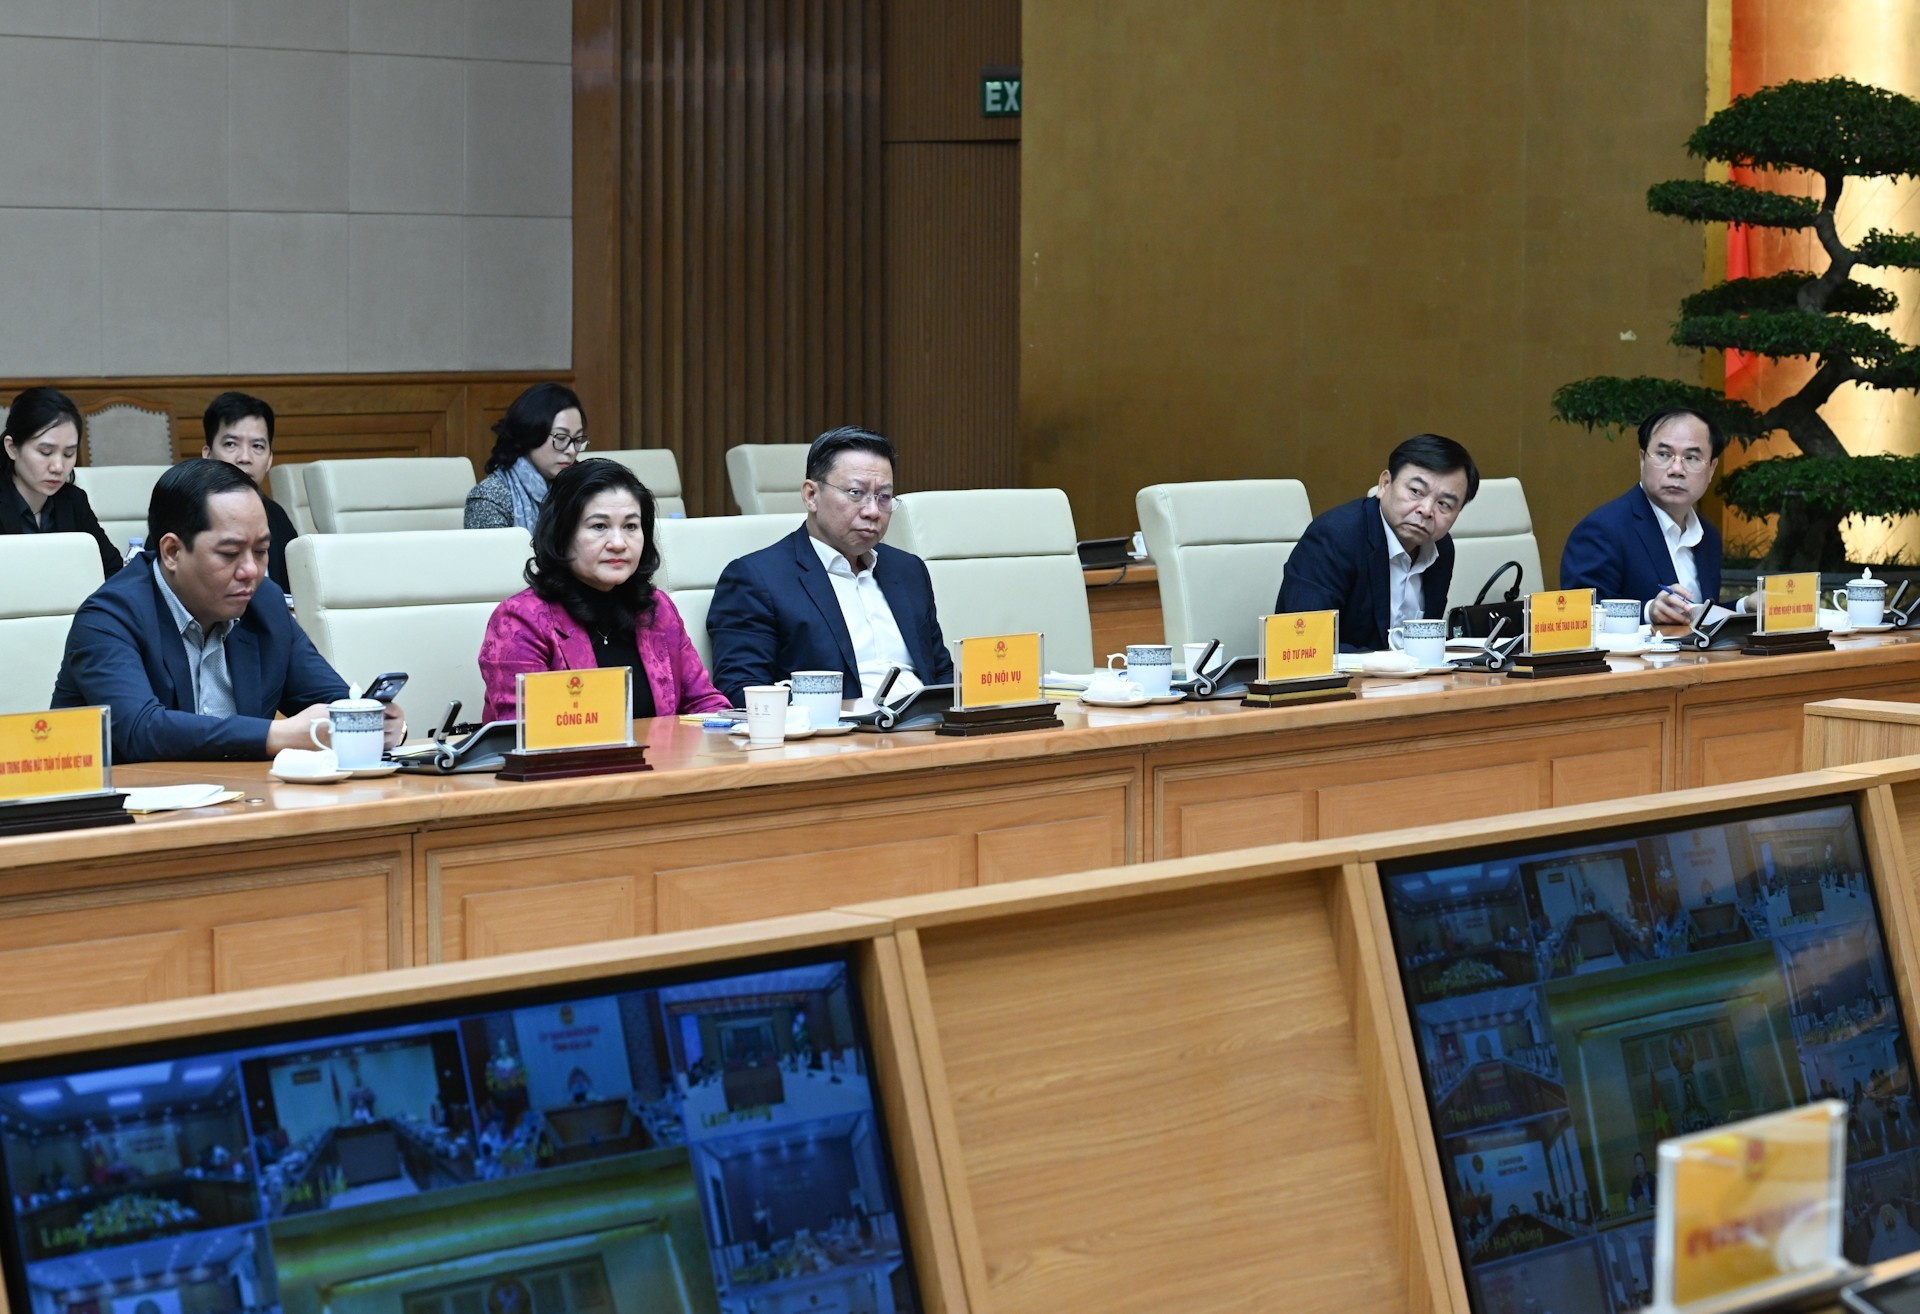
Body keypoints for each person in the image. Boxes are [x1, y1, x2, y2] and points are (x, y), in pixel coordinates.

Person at [51, 459, 405, 762]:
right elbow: (140, 730)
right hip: (119, 820)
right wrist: (277, 735)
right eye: (230, 553)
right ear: (173, 551)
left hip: (239, 805)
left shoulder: (263, 601)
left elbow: (329, 701)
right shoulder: (109, 617)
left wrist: (372, 723)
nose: (252, 570)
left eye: (261, 551)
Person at [707, 426, 951, 704]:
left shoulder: (908, 570)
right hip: (835, 738)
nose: (872, 511)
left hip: (927, 729)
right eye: (856, 492)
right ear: (811, 495)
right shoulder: (756, 578)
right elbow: (742, 690)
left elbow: (940, 671)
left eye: (883, 497)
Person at [478, 457, 729, 721]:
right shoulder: (521, 620)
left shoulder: (656, 608)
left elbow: (704, 702)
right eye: (599, 526)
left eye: (631, 526)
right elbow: (523, 731)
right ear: (562, 535)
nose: (619, 543)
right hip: (568, 763)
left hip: (664, 762)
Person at [1276, 433, 1480, 651]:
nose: (1427, 510)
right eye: (1416, 492)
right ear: (1384, 484)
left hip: (1415, 683)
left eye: (1444, 504)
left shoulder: (1441, 548)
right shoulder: (1335, 536)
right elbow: (1304, 645)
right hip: (1346, 683)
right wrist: (1391, 665)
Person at [1559, 407, 1726, 625]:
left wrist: (1744, 607)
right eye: (1664, 455)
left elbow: (1697, 614)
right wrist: (1648, 612)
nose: (1676, 469)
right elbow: (1579, 616)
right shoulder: (1602, 531)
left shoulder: (1708, 536)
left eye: (1691, 458)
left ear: (1712, 469)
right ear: (1642, 459)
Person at [1, 386, 123, 580]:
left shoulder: (74, 501)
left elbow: (113, 570)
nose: (58, 466)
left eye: (68, 454)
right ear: (12, 448)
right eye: (46, 452)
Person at [201, 391, 298, 590]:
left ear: (269, 459)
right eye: (230, 444)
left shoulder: (277, 518)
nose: (245, 457)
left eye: (257, 446)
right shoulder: (180, 514)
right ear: (208, 455)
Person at [464, 382, 588, 530]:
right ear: (531, 433)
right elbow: (492, 553)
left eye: (578, 439)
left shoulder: (582, 488)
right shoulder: (490, 498)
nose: (572, 451)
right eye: (561, 438)